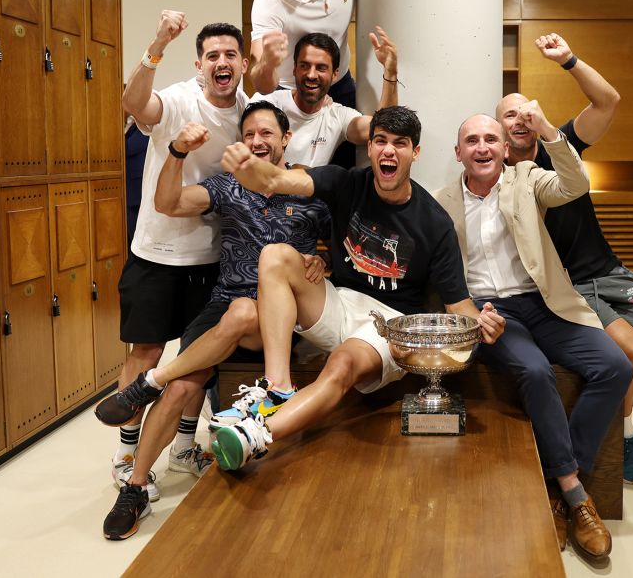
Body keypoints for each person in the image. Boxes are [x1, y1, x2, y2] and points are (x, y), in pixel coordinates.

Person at [209, 106, 506, 470]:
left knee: (343, 362)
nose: (388, 151)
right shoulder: (346, 181)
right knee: (275, 255)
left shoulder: (435, 222)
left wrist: (483, 324)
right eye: (380, 141)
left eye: (400, 144)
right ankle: (277, 385)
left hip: (390, 323)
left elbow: (458, 304)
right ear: (370, 147)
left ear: (415, 152)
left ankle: (258, 436)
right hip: (339, 301)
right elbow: (274, 181)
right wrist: (248, 168)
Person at [96, 103, 331, 540]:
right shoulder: (229, 185)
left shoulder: (310, 189)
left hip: (277, 321)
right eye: (249, 135)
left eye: (267, 133)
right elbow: (167, 203)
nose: (258, 142)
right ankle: (136, 485)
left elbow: (339, 252)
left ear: (286, 139)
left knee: (244, 311)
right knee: (184, 385)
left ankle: (149, 382)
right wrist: (177, 152)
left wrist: (320, 262)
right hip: (223, 303)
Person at [434, 108, 632, 560]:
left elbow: (575, 184)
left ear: (505, 148)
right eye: (472, 141)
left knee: (615, 366)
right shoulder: (442, 200)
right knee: (535, 371)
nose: (482, 147)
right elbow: (437, 269)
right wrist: (468, 315)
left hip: (544, 304)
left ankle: (564, 481)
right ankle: (576, 498)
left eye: (491, 139)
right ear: (459, 152)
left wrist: (547, 132)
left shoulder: (526, 178)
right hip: (490, 313)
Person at [498, 32, 633, 487]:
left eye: (526, 110)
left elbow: (608, 101)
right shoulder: (498, 175)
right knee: (632, 351)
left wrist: (568, 60)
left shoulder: (558, 146)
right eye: (510, 113)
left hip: (611, 272)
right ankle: (618, 442)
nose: (520, 118)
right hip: (571, 286)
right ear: (499, 126)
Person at [113, 11, 248, 501]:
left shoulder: (247, 111)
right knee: (146, 353)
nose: (222, 62)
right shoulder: (178, 99)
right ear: (199, 64)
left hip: (212, 257)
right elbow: (134, 103)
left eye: (230, 54)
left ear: (242, 63)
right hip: (157, 250)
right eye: (212, 55)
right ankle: (128, 451)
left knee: (198, 361)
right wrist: (157, 42)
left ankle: (184, 447)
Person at [254, 31, 398, 167]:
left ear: (335, 75)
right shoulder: (269, 104)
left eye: (321, 68)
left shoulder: (338, 115)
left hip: (310, 191)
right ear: (294, 69)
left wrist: (390, 73)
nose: (311, 75)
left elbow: (382, 128)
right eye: (304, 66)